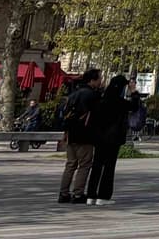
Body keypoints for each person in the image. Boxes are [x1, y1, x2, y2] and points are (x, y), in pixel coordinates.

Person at [56, 67, 103, 204]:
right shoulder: (92, 95)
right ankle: (78, 194)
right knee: (84, 164)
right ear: (92, 80)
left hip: (71, 133)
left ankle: (63, 193)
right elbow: (97, 115)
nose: (101, 81)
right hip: (85, 134)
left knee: (70, 164)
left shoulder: (73, 94)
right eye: (99, 78)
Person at [85, 75, 132, 205]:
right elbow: (135, 106)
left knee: (97, 166)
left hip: (99, 138)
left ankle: (90, 195)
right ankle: (103, 196)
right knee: (109, 167)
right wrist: (134, 92)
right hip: (113, 138)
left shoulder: (100, 100)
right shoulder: (120, 102)